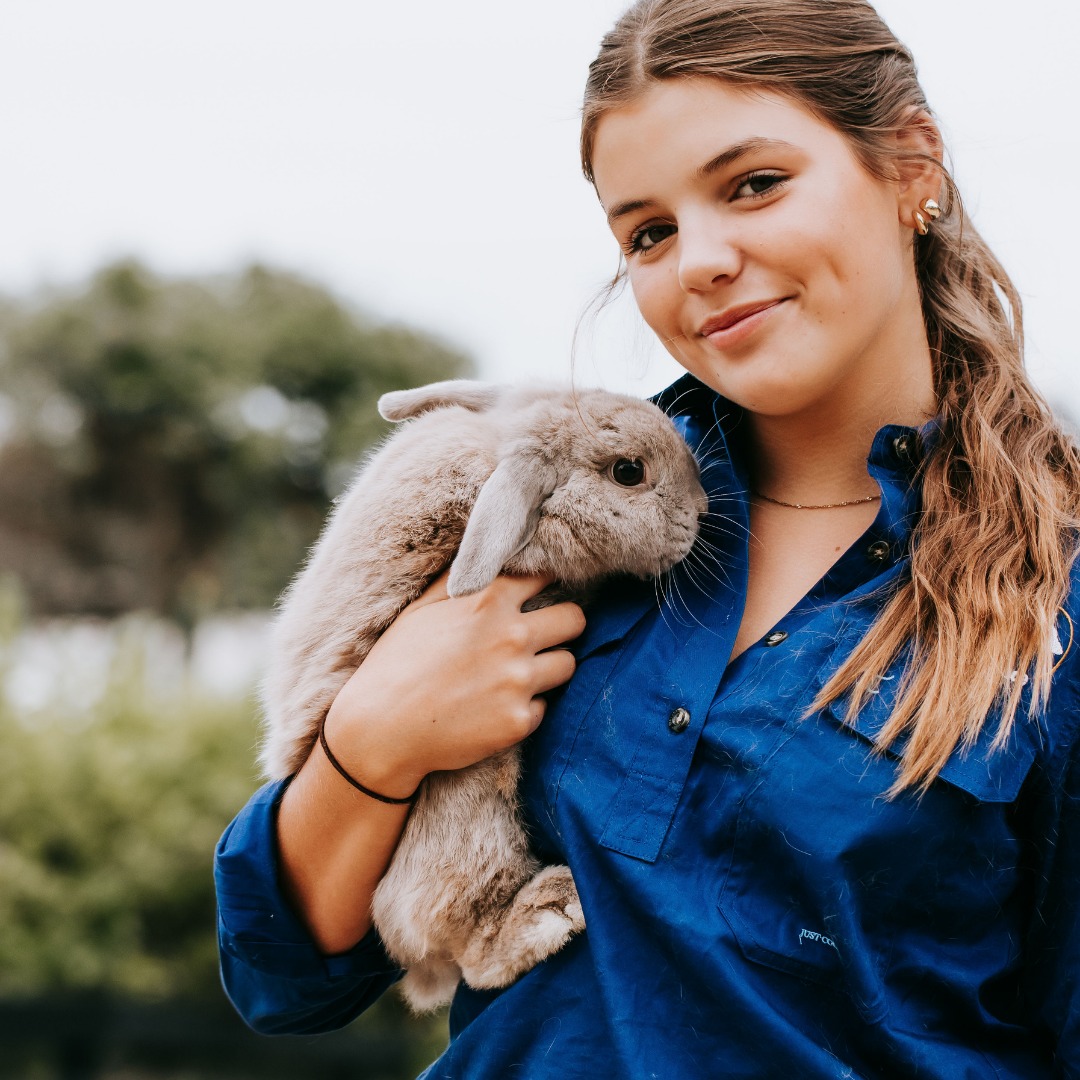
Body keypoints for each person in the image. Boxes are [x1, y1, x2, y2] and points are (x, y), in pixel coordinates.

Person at [214, 0, 1080, 1075]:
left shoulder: (1059, 601)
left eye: (754, 184)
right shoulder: (566, 512)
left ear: (911, 163)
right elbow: (283, 975)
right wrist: (376, 743)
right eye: (648, 232)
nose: (700, 261)